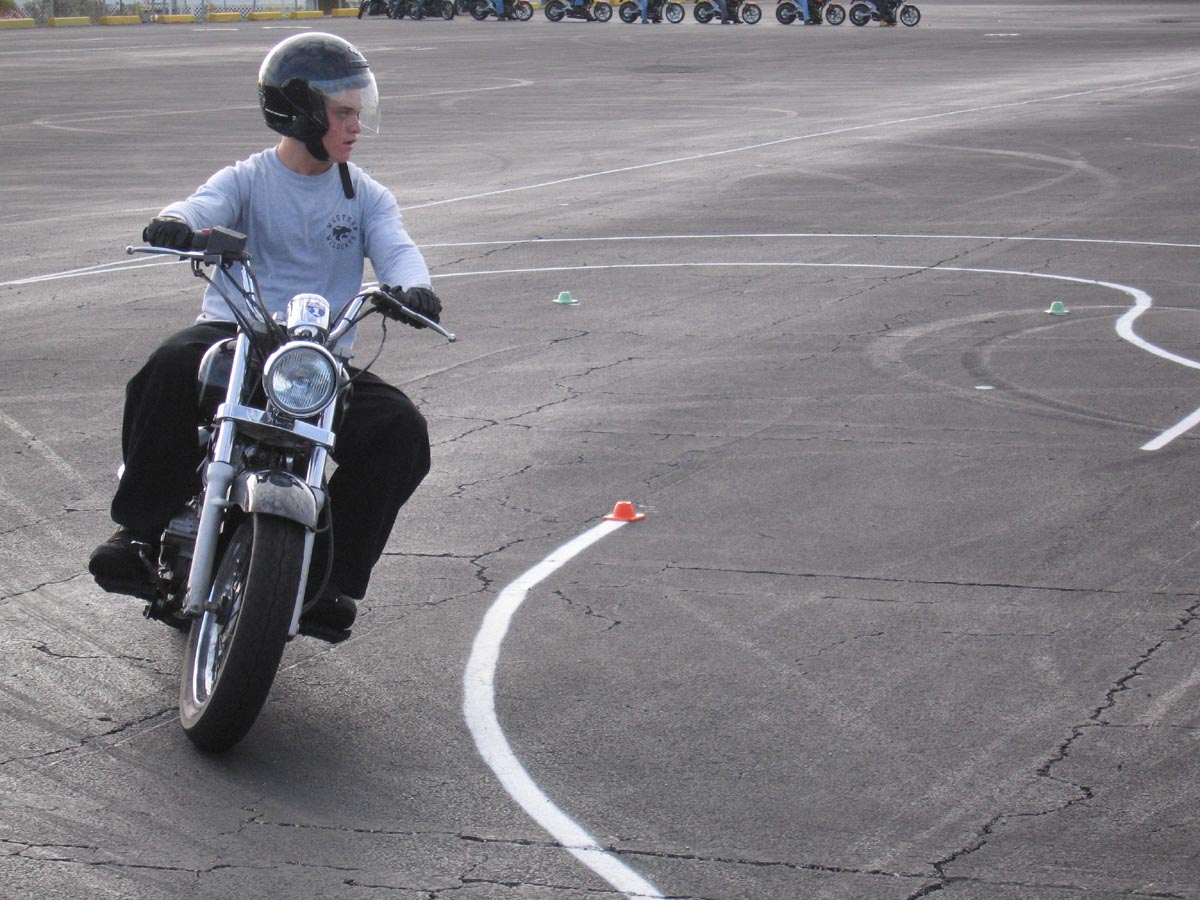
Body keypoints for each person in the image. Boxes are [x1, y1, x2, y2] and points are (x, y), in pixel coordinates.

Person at [88, 32, 442, 641]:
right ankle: (140, 532)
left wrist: (414, 287)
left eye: (358, 113)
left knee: (400, 429)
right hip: (237, 334)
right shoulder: (248, 179)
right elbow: (203, 205)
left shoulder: (366, 196)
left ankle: (328, 580)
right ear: (301, 112)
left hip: (317, 356)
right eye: (343, 113)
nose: (355, 126)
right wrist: (177, 223)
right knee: (168, 366)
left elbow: (398, 249)